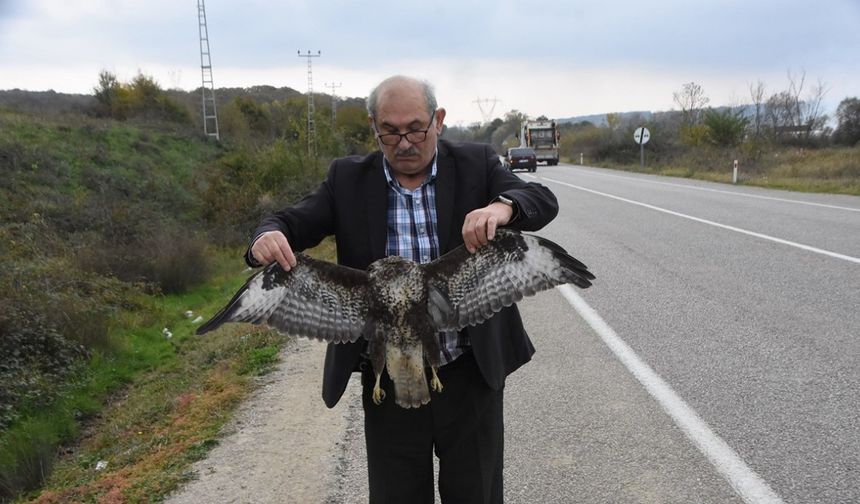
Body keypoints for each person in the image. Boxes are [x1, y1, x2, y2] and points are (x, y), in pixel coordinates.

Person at [246, 75, 559, 504]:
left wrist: (503, 206)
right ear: (373, 126)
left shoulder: (476, 164)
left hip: (470, 372)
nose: (405, 142)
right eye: (390, 131)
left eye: (416, 128)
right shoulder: (347, 179)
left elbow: (540, 199)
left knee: (477, 495)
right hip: (387, 379)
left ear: (439, 120)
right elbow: (289, 221)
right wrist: (265, 236)